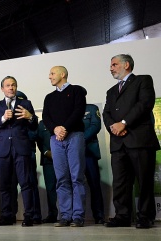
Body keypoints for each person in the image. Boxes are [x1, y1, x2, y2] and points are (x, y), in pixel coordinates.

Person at [103, 54, 160, 229]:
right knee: (120, 182)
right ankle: (122, 216)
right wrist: (114, 127)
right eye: (110, 65)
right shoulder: (111, 91)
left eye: (114, 64)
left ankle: (145, 216)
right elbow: (106, 114)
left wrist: (124, 123)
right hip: (118, 142)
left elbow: (144, 104)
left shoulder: (143, 80)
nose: (110, 68)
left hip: (139, 139)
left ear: (126, 65)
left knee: (144, 180)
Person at [0, 76, 38, 227]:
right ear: (2, 89)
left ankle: (29, 216)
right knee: (5, 185)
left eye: (13, 85)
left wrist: (30, 117)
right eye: (8, 85)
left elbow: (34, 125)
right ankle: (7, 216)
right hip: (3, 150)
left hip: (21, 148)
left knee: (25, 183)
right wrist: (2, 118)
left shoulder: (25, 103)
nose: (11, 88)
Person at [42, 66, 86, 227]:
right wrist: (55, 129)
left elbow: (78, 112)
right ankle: (65, 215)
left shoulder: (77, 91)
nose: (49, 76)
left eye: (52, 73)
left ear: (63, 74)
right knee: (61, 179)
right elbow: (46, 116)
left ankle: (78, 216)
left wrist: (64, 128)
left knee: (77, 178)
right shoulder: (49, 97)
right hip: (56, 139)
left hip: (74, 136)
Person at [10, 90, 42, 224]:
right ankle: (11, 213)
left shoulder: (29, 118)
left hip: (27, 153)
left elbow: (35, 133)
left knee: (30, 184)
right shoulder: (13, 121)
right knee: (11, 185)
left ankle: (35, 215)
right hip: (13, 153)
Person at [81, 88, 105, 224]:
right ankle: (78, 216)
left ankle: (99, 215)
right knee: (75, 185)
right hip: (74, 154)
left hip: (89, 152)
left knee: (94, 184)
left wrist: (80, 139)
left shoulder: (91, 108)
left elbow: (95, 126)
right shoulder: (71, 110)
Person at [36, 120, 58, 223]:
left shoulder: (63, 118)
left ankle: (68, 214)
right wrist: (46, 152)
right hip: (48, 160)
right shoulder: (42, 123)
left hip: (64, 157)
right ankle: (52, 214)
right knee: (50, 188)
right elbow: (39, 140)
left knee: (66, 185)